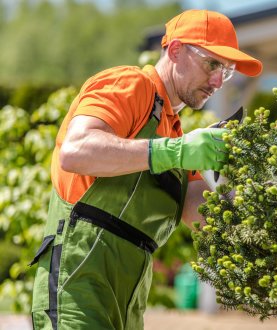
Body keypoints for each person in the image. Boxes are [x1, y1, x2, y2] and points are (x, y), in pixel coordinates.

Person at [30, 9, 262, 329]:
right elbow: (76, 150)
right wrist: (174, 151)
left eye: (227, 71)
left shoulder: (176, 134)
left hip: (129, 305)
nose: (218, 81)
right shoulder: (130, 85)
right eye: (212, 64)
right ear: (177, 50)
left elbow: (207, 217)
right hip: (76, 288)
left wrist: (266, 193)